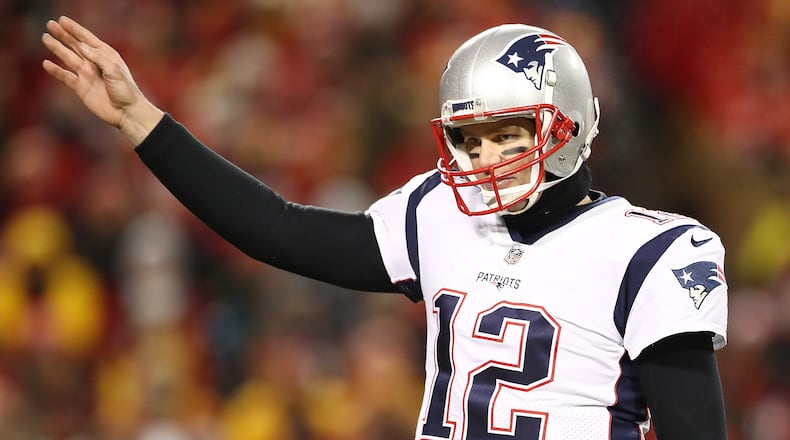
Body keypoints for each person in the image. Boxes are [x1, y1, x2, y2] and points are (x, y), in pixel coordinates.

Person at [41, 16, 729, 439]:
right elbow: (276, 230)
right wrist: (140, 120)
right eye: (471, 140)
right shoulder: (442, 213)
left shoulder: (651, 252)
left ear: (567, 127)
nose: (486, 158)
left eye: (507, 135)